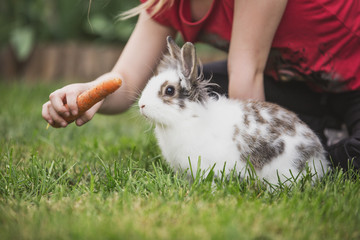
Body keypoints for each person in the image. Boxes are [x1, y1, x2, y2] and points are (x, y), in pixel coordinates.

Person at [42, 0, 360, 170]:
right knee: (193, 89)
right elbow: (126, 81)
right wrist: (88, 93)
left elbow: (246, 75)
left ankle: (325, 148)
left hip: (354, 84)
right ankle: (327, 129)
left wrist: (248, 167)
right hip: (297, 86)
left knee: (344, 161)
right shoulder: (165, 2)